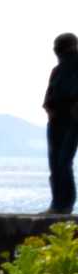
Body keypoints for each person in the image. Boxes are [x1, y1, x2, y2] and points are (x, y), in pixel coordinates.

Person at [50, 32, 78, 215]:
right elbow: (52, 93)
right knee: (56, 163)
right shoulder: (58, 69)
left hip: (71, 120)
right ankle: (58, 204)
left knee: (62, 162)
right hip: (56, 119)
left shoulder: (73, 65)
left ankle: (64, 204)